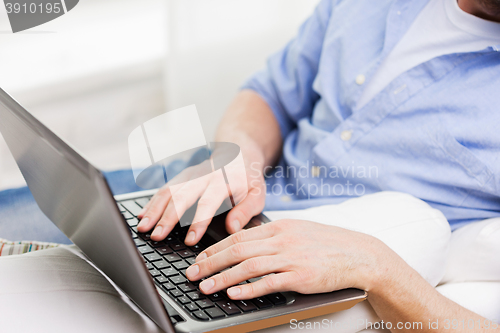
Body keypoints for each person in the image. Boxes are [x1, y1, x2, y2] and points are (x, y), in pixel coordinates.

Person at [134, 0, 500, 331]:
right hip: (224, 209)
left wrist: (377, 268)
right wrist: (240, 155)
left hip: (294, 280)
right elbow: (270, 94)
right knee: (100, 221)